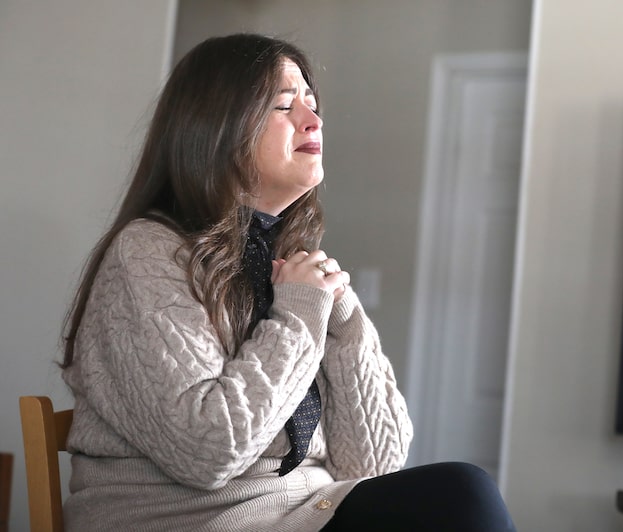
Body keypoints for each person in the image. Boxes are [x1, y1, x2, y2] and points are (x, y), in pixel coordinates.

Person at [60, 33, 515, 531]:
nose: (313, 120)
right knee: (463, 495)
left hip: (307, 509)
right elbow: (209, 451)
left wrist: (345, 327)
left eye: (312, 105)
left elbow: (375, 465)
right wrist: (298, 316)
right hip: (198, 520)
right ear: (216, 128)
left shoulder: (285, 265)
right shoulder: (147, 253)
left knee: (461, 491)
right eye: (283, 106)